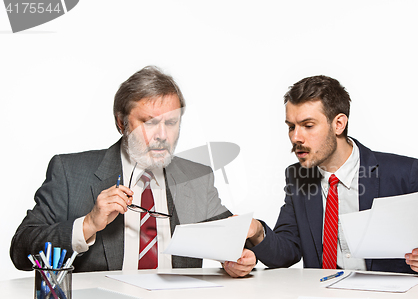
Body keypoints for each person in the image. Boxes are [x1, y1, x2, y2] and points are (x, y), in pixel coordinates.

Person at [10, 66, 255, 277]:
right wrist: (87, 224)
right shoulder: (70, 172)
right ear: (121, 123)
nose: (161, 135)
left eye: (171, 123)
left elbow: (230, 237)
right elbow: (21, 249)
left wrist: (236, 259)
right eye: (149, 122)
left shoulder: (196, 177)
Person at [245, 75, 418, 277]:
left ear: (339, 124)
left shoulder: (404, 173)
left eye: (308, 126)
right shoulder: (297, 176)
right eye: (291, 127)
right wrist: (257, 232)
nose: (296, 137)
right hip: (321, 298)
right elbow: (287, 251)